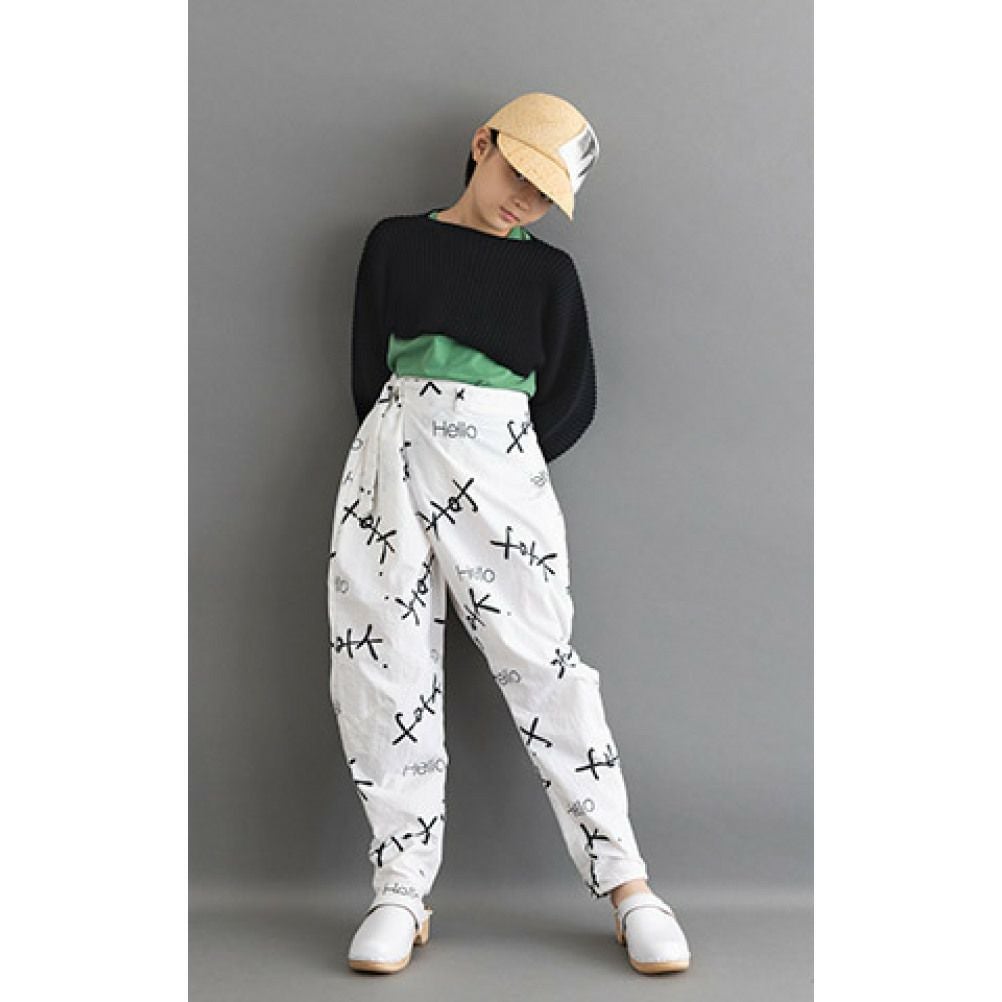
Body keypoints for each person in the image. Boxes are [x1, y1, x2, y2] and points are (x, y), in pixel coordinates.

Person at [327, 92, 691, 976]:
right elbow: (368, 364)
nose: (524, 200)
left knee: (543, 659)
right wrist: (409, 435)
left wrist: (499, 455)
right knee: (380, 661)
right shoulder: (394, 242)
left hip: (498, 466)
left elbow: (573, 396)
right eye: (518, 173)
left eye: (545, 193)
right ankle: (400, 889)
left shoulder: (548, 275)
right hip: (389, 453)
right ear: (482, 144)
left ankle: (629, 886)